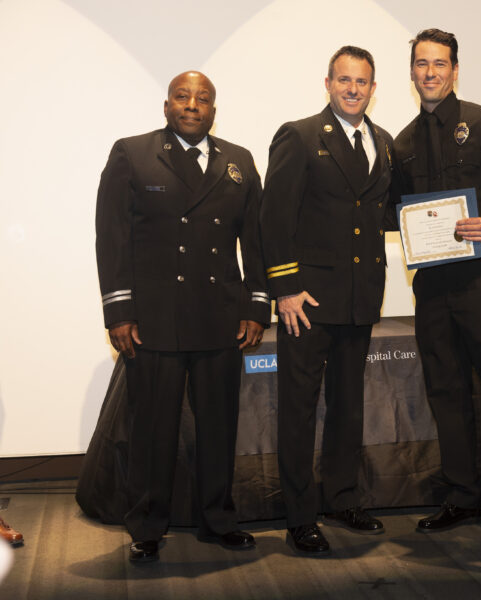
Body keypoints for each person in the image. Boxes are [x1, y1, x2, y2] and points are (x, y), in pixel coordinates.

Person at [95, 71, 268, 563]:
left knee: (219, 427)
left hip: (220, 318)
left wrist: (257, 305)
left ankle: (219, 518)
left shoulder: (239, 161)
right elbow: (111, 239)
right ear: (166, 104)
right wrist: (119, 311)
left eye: (203, 98)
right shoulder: (132, 153)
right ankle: (147, 525)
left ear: (214, 109)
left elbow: (254, 241)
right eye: (183, 96)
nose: (193, 104)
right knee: (153, 430)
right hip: (153, 320)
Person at [392, 29, 481, 548]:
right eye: (421, 64)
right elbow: (395, 213)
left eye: (440, 63)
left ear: (455, 71)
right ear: (411, 72)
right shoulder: (401, 143)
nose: (430, 72)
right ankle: (463, 496)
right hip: (432, 287)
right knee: (446, 393)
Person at [260, 46, 393, 556]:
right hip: (308, 301)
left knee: (347, 407)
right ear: (328, 83)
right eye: (344, 80)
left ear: (373, 87)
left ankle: (341, 497)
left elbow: (381, 212)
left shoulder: (381, 141)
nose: (353, 89)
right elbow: (274, 217)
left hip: (360, 300)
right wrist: (287, 288)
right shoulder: (300, 135)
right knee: (297, 409)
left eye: (362, 81)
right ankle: (299, 516)